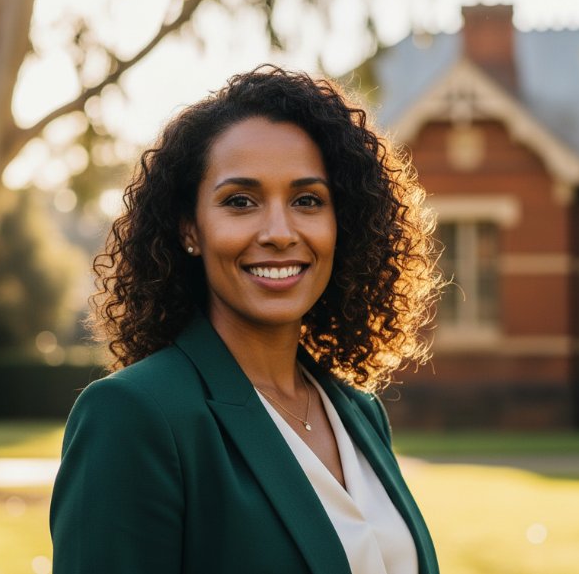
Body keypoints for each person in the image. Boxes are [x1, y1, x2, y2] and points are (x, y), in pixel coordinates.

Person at [50, 65, 444, 574]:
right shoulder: (134, 416)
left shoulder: (358, 413)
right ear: (191, 229)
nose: (280, 232)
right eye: (241, 201)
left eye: (307, 200)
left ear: (339, 224)